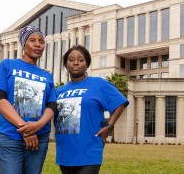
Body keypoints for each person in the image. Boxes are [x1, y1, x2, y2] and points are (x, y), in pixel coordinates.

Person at [0, 25, 57, 174]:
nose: (38, 44)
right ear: (23, 43)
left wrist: (37, 126)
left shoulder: (47, 75)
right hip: (11, 135)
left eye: (41, 41)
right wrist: (26, 130)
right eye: (32, 40)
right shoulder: (7, 65)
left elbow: (52, 106)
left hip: (40, 138)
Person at [54, 45, 129, 174]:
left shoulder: (98, 84)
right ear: (65, 64)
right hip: (65, 152)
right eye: (71, 60)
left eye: (81, 60)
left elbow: (119, 102)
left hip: (89, 151)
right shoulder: (58, 91)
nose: (76, 63)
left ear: (87, 63)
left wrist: (109, 127)